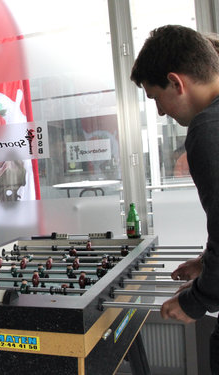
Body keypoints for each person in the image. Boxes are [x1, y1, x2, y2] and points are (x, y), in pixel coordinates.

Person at [130, 25, 219, 374]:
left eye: (156, 99)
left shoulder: (208, 129)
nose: (161, 113)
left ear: (176, 82)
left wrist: (196, 300)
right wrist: (205, 261)